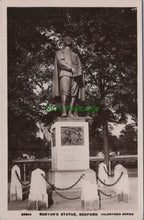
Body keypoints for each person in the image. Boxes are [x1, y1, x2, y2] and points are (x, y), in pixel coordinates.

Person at [52, 36, 85, 117]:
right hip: (65, 74)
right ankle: (64, 111)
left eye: (70, 39)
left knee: (74, 94)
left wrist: (79, 72)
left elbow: (79, 65)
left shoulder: (75, 54)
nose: (68, 40)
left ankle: (70, 112)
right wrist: (71, 68)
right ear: (63, 42)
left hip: (76, 76)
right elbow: (61, 63)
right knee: (65, 92)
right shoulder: (60, 52)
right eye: (66, 39)